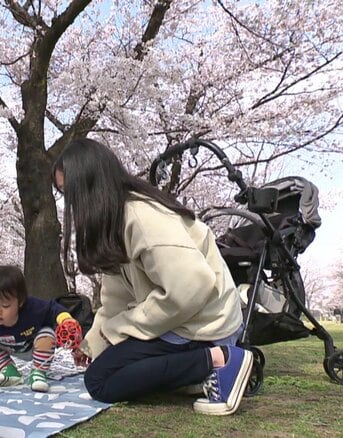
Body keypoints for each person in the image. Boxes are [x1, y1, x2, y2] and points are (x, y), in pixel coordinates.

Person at [52, 138, 252, 416]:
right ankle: (196, 373)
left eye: (71, 193)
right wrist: (93, 342)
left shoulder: (143, 217)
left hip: (204, 322)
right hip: (181, 321)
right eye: (64, 193)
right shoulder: (115, 221)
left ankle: (220, 360)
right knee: (107, 367)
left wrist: (117, 331)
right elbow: (116, 300)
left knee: (100, 380)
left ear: (91, 185)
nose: (70, 204)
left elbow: (191, 288)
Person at [0, 265, 80, 393]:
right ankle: (10, 372)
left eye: (5, 305)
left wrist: (66, 320)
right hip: (7, 348)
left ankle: (38, 372)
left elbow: (53, 308)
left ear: (20, 301)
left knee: (47, 334)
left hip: (34, 345)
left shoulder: (33, 309)